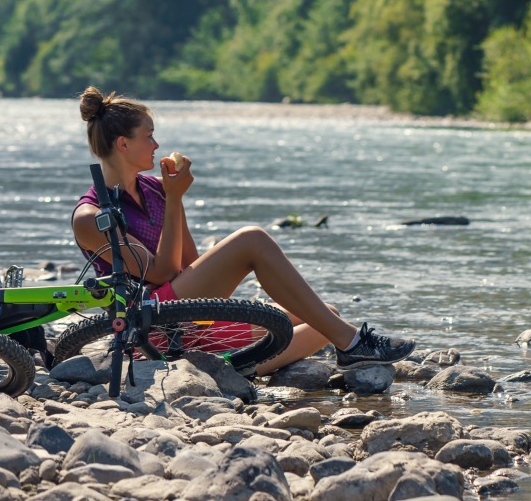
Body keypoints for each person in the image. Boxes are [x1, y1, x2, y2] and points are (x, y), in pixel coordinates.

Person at [71, 86, 415, 373]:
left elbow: (186, 264)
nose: (157, 145)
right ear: (123, 144)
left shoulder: (154, 189)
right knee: (252, 239)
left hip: (184, 312)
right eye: (149, 136)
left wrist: (172, 197)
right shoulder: (90, 216)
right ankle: (354, 343)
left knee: (326, 318)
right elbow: (161, 271)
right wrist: (175, 199)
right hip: (148, 325)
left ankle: (232, 366)